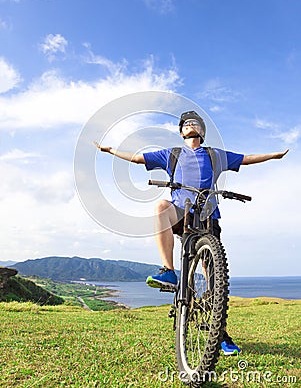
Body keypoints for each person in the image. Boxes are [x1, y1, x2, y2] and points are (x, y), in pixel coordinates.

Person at [94, 110, 288, 355]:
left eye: (195, 123)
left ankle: (220, 334)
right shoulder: (171, 154)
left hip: (208, 215)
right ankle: (169, 272)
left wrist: (274, 156)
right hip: (181, 212)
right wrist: (111, 151)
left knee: (214, 277)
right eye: (186, 124)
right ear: (181, 131)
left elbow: (246, 158)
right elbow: (136, 158)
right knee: (161, 207)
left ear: (202, 131)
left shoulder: (215, 155)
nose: (190, 125)